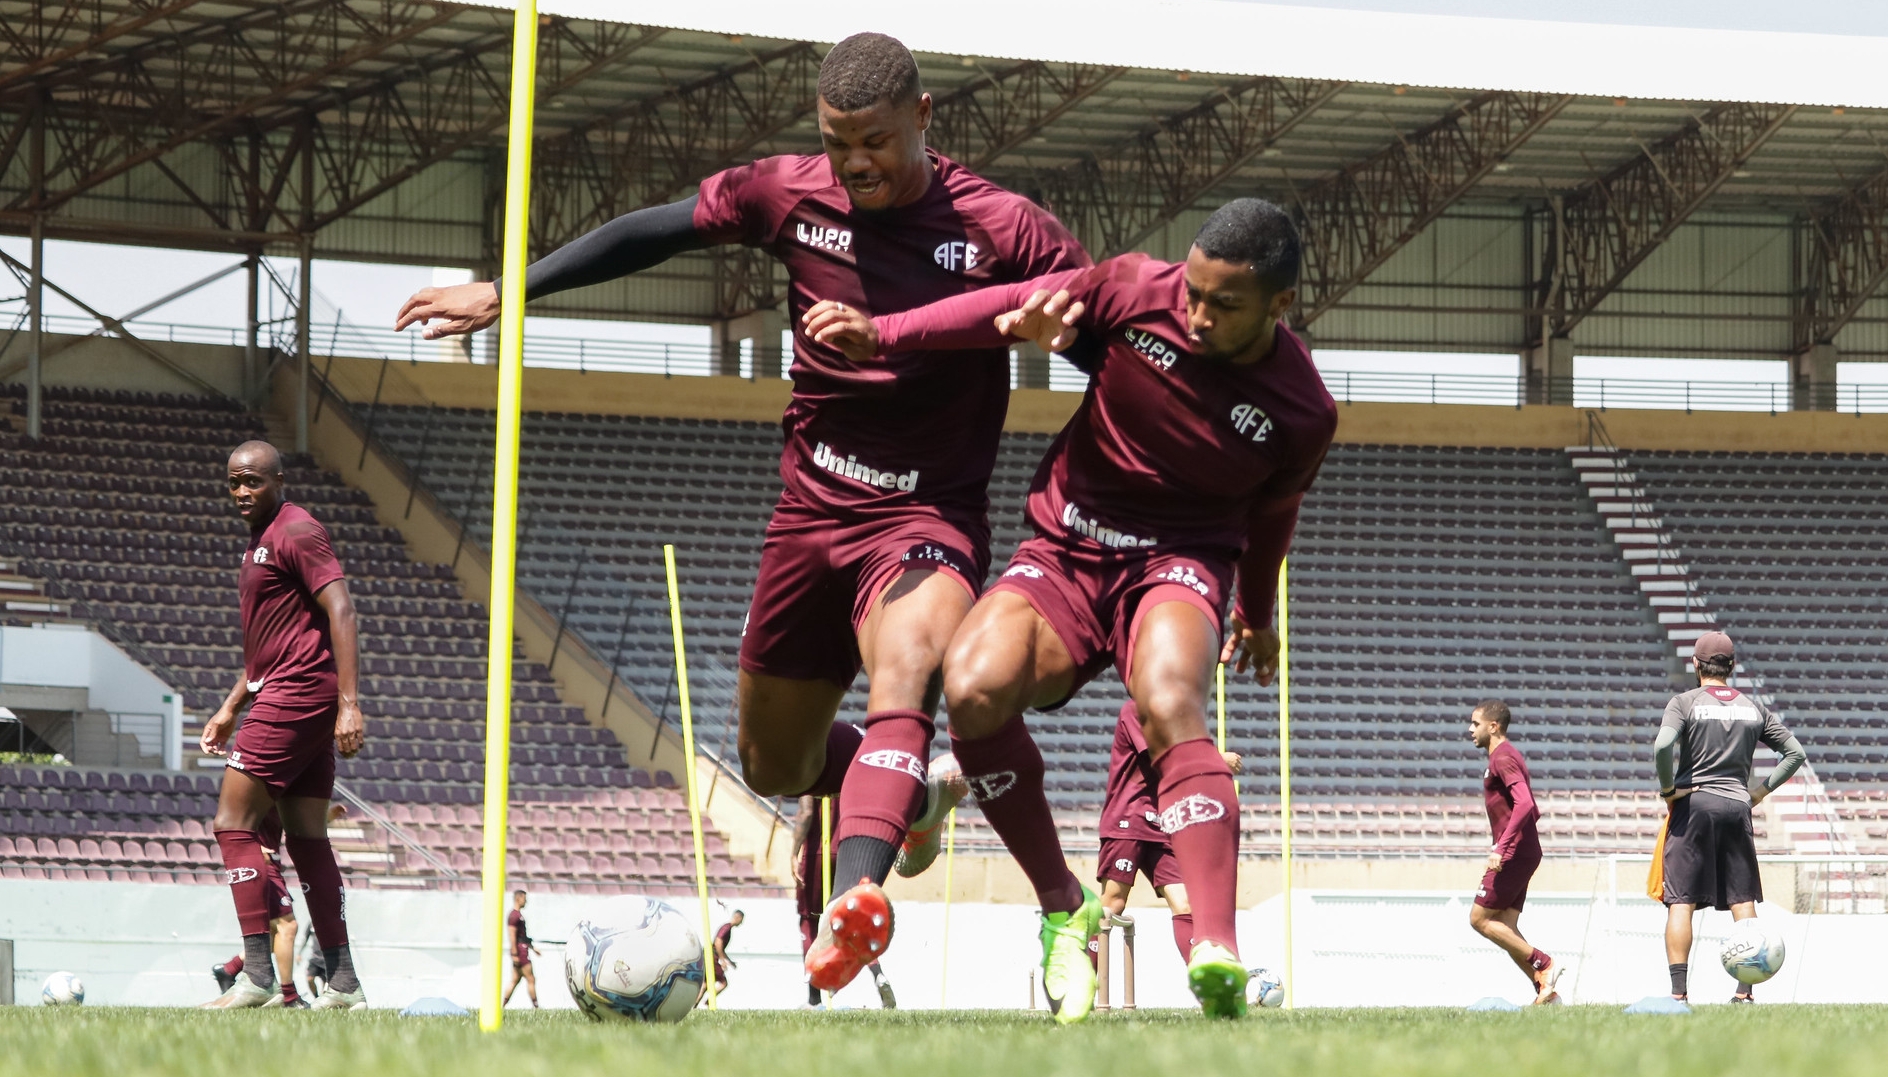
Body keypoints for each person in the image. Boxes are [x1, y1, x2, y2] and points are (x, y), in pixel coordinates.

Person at [393, 31, 1088, 996]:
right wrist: (511, 287)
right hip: (808, 518)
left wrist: (1073, 352)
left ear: (924, 118)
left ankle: (856, 901)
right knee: (774, 760)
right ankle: (914, 797)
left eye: (876, 142)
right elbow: (657, 229)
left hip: (926, 518)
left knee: (908, 673)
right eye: (839, 142)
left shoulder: (1006, 230)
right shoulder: (789, 194)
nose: (856, 164)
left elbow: (1118, 349)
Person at [805, 197, 1338, 1021]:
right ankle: (1063, 906)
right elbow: (1001, 307)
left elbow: (1273, 515)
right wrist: (888, 333)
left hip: (1179, 562)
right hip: (1066, 549)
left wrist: (1259, 613)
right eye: (1193, 290)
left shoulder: (1303, 410)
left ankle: (1218, 946)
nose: (1196, 313)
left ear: (1279, 306)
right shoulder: (1133, 287)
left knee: (1170, 702)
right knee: (972, 685)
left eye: (1222, 305)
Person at [199, 440, 368, 1009]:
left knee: (233, 823)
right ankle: (344, 984)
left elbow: (341, 610)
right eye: (233, 483)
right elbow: (267, 651)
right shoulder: (259, 544)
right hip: (289, 689)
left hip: (301, 693)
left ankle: (254, 974)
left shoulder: (297, 530)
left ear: (277, 480)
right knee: (306, 835)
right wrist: (229, 707)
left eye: (253, 481)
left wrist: (350, 703)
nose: (242, 492)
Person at [1656, 631, 1806, 1004]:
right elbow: (1795, 753)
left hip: (1694, 806)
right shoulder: (1753, 708)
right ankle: (1744, 992)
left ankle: (1678, 996)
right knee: (1741, 899)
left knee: (1682, 901)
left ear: (1695, 664)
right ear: (1732, 666)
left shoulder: (1684, 702)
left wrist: (1668, 789)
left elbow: (1662, 745)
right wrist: (1758, 792)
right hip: (1738, 805)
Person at [1097, 701, 1241, 964]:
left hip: (1162, 823)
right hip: (1128, 818)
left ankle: (1208, 985)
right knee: (1113, 903)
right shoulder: (1136, 709)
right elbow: (1160, 754)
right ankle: (1080, 982)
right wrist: (1216, 760)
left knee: (1186, 905)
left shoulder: (1177, 713)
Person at [1464, 700, 1561, 1005]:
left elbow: (1525, 804)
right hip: (1524, 849)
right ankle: (1546, 992)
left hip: (1514, 853)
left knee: (1479, 919)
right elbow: (1529, 807)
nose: (1470, 729)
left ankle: (1543, 964)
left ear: (1493, 726)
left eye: (1475, 723)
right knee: (1504, 925)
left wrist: (1502, 847)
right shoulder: (1504, 756)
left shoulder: (1502, 758)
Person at [792, 795, 898, 1009]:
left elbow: (806, 811)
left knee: (810, 922)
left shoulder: (815, 768)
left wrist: (794, 853)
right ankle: (878, 975)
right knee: (855, 923)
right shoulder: (848, 773)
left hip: (817, 853)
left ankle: (814, 999)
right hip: (848, 854)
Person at [211, 807, 309, 1008]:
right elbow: (233, 814)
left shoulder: (282, 790)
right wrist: (253, 847)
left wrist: (328, 815)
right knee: (287, 927)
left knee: (274, 933)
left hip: (271, 863)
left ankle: (230, 968)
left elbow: (301, 819)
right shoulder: (263, 784)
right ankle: (289, 996)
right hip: (263, 864)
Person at [502, 889, 541, 1007]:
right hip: (521, 952)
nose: (526, 901)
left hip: (521, 950)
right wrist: (515, 954)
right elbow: (512, 935)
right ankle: (536, 1007)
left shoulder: (518, 916)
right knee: (531, 979)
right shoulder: (514, 916)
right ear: (518, 899)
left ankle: (502, 1006)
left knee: (515, 980)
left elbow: (521, 937)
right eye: (524, 899)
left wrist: (533, 947)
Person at [710, 909, 745, 998]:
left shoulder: (727, 928)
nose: (741, 923)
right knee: (723, 983)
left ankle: (695, 1006)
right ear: (738, 918)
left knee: (706, 984)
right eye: (742, 920)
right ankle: (708, 1003)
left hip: (711, 955)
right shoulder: (726, 928)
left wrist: (729, 961)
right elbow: (718, 943)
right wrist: (722, 960)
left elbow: (721, 949)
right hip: (713, 957)